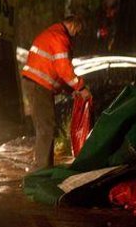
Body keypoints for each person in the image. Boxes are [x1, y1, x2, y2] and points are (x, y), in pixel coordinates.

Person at [21, 14, 92, 170]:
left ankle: (44, 167)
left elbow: (56, 70)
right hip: (39, 86)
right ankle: (40, 170)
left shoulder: (53, 34)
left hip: (37, 85)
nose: (77, 34)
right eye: (78, 30)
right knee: (46, 128)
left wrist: (69, 90)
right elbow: (63, 68)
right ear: (73, 24)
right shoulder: (59, 38)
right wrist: (80, 88)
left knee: (46, 127)